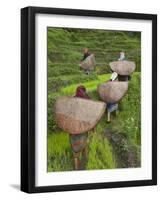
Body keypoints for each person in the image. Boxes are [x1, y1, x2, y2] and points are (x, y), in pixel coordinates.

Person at [70, 85, 91, 170]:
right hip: (83, 125)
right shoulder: (86, 98)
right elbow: (90, 112)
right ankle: (85, 155)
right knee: (84, 139)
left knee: (74, 143)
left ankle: (76, 163)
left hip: (72, 126)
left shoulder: (72, 99)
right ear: (84, 91)